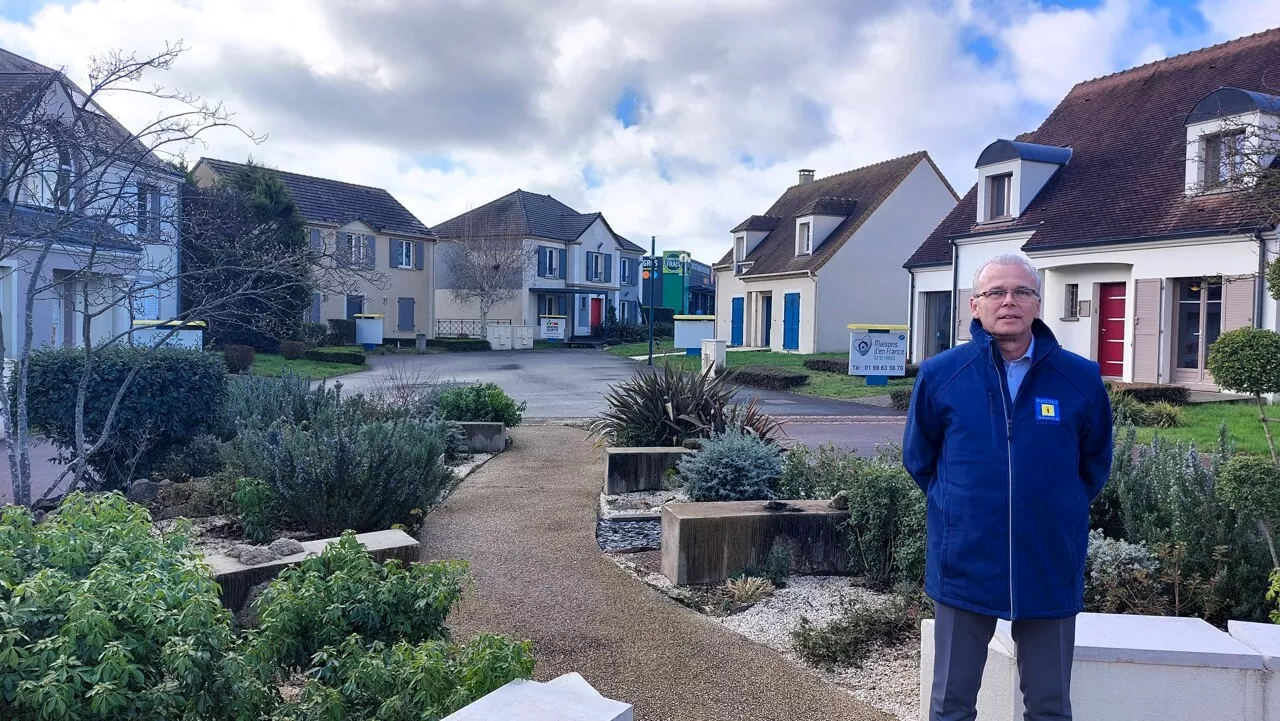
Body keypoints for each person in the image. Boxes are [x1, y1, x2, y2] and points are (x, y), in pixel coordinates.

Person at [903, 252, 1113, 721]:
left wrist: (1055, 509)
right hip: (965, 562)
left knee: (1050, 706)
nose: (1009, 301)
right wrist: (960, 509)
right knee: (951, 705)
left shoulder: (1079, 378)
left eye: (1022, 291)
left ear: (1039, 304)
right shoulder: (942, 375)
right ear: (974, 306)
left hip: (1048, 562)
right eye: (995, 292)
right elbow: (920, 459)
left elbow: (1095, 464)